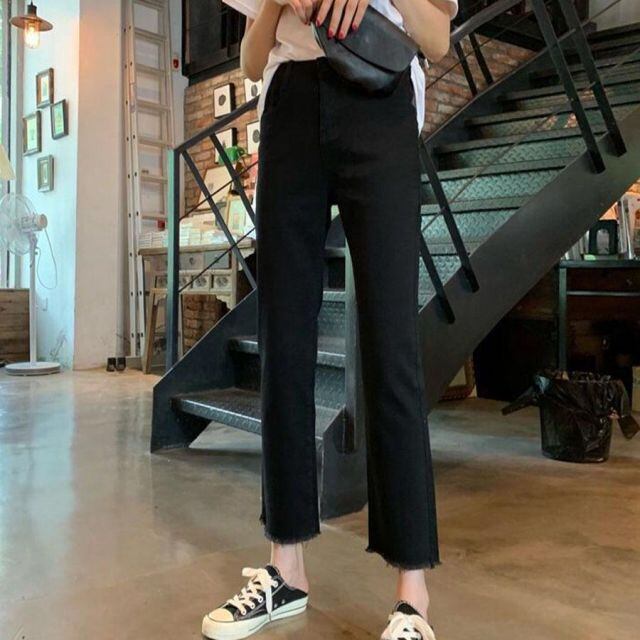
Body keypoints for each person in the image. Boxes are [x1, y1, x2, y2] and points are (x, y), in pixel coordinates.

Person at [202, 0, 458, 638]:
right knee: (284, 338)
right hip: (290, 106)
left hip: (380, 96)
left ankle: (413, 594)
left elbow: (437, 39)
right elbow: (252, 60)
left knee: (391, 341)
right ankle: (285, 566)